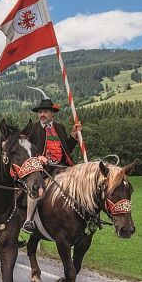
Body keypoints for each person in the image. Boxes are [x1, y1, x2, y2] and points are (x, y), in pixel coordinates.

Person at [22, 97, 82, 234]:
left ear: (52, 114)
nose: (42, 115)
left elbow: (66, 150)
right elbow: (25, 149)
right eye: (40, 112)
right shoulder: (33, 129)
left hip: (62, 167)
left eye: (45, 112)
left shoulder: (60, 128)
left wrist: (73, 137)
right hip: (42, 169)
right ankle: (28, 220)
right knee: (36, 186)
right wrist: (38, 156)